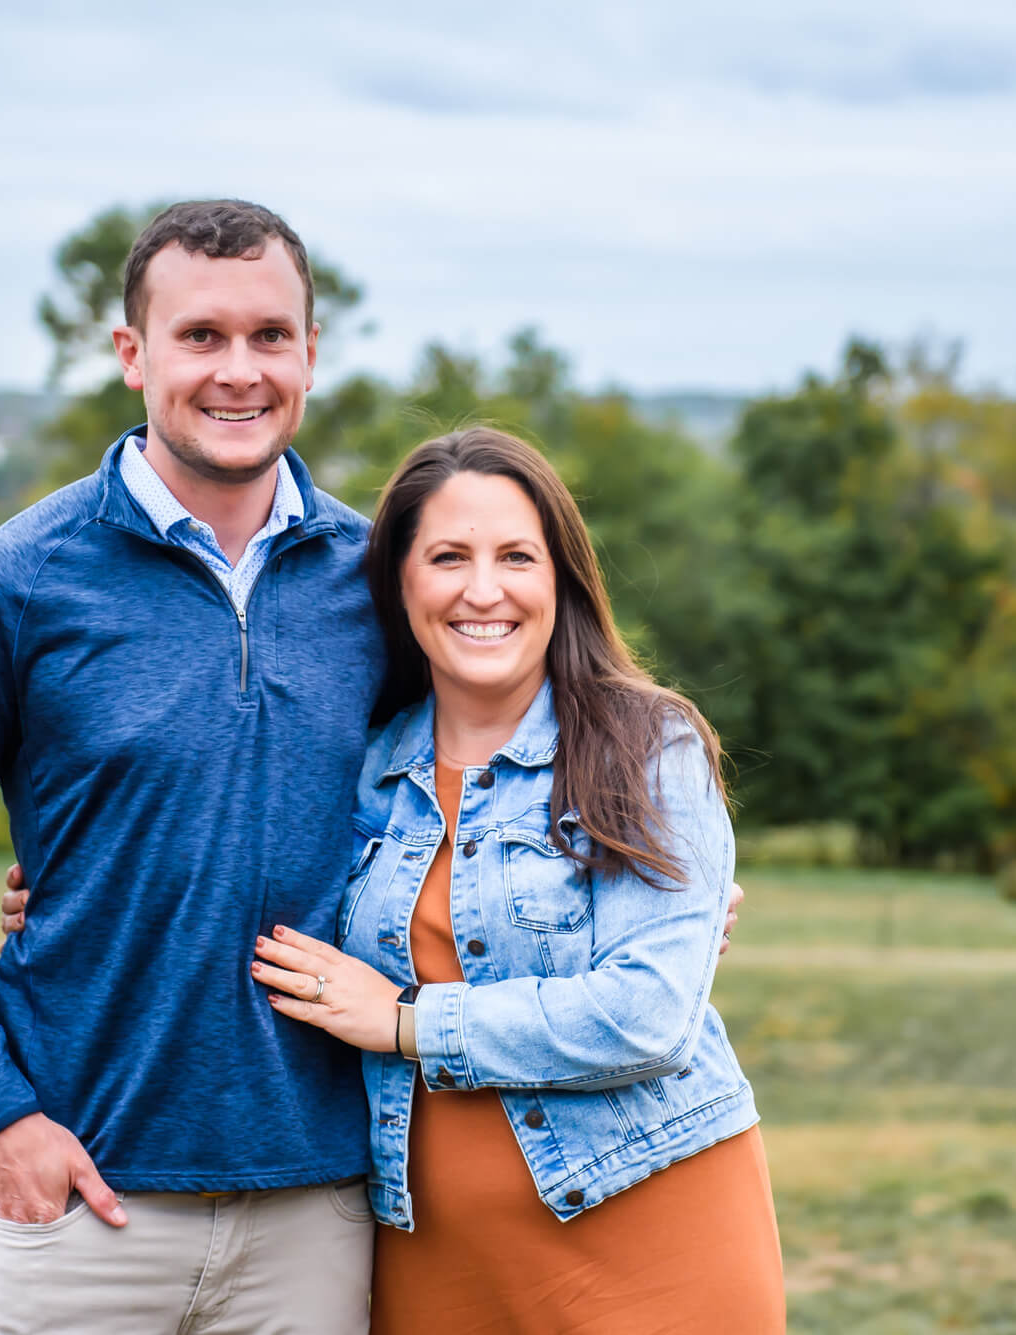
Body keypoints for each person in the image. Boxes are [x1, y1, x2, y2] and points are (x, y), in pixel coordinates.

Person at [0, 198, 741, 1335]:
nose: (238, 371)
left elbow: (506, 775)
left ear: (310, 355)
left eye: (270, 337)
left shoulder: (382, 585)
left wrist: (670, 883)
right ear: (131, 354)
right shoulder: (11, 586)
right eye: (200, 336)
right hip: (79, 1197)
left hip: (324, 1212)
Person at [247, 427, 785, 1333]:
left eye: (516, 557)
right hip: (434, 1257)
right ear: (401, 583)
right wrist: (64, 890)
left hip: (652, 1228)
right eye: (448, 556)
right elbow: (248, 898)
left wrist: (409, 1022)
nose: (483, 590)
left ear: (561, 580)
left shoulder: (648, 748)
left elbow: (649, 1015)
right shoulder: (358, 768)